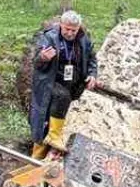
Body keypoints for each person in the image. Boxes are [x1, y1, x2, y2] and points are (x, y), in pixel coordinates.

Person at [29, 10, 96, 158]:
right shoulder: (49, 37)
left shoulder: (83, 39)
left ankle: (50, 147)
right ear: (61, 25)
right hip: (49, 84)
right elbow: (36, 62)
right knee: (43, 124)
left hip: (72, 87)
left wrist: (92, 75)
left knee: (64, 102)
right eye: (67, 29)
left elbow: (92, 59)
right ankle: (39, 155)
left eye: (74, 30)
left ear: (78, 28)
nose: (70, 33)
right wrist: (43, 58)